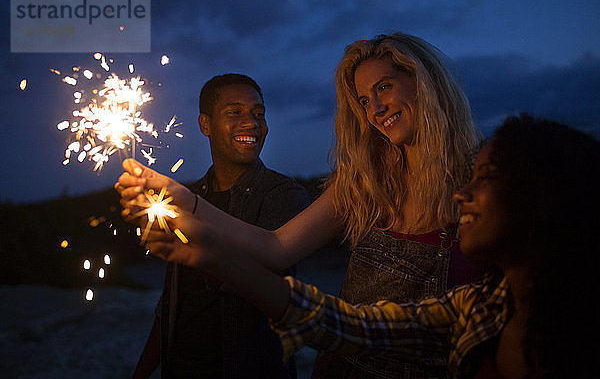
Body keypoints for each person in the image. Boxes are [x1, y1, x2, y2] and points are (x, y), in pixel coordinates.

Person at [118, 33, 482, 378]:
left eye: (384, 87)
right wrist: (183, 200)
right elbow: (277, 246)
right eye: (364, 101)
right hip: (343, 369)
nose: (376, 109)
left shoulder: (482, 182)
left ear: (422, 80)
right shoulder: (365, 181)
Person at [129, 114, 600, 378]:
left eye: (486, 180)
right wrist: (205, 247)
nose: (462, 195)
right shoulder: (478, 311)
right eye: (361, 96)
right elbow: (344, 322)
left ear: (547, 196)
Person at [127, 73, 310, 378]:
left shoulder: (284, 195)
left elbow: (261, 286)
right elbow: (173, 301)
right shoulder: (188, 197)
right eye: (234, 112)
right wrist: (141, 371)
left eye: (258, 113)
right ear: (205, 125)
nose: (251, 122)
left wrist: (192, 245)